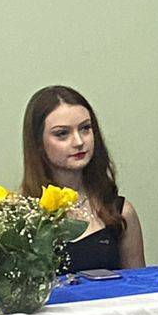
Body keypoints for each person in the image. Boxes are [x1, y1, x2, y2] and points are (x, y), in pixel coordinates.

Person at [22, 86, 145, 272]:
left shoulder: (120, 213)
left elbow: (138, 286)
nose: (79, 142)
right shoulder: (20, 218)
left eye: (85, 128)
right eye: (62, 134)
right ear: (38, 143)